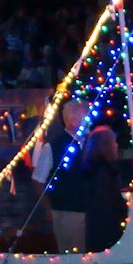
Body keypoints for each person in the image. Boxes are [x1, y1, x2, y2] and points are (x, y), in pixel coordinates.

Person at [31, 99, 90, 252]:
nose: (89, 121)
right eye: (86, 117)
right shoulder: (53, 146)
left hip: (89, 209)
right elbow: (38, 180)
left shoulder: (89, 142)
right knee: (73, 252)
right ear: (73, 121)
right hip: (66, 211)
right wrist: (48, 208)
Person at [82, 125, 127, 252]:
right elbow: (104, 203)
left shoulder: (95, 168)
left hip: (99, 227)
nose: (116, 145)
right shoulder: (103, 172)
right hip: (105, 229)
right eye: (114, 142)